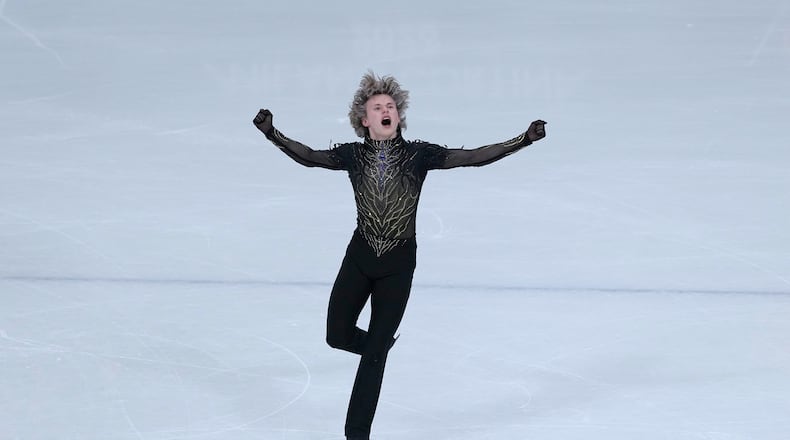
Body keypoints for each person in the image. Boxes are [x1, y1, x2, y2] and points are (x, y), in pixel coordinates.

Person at [253, 71, 547, 440]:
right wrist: (271, 133)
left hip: (397, 265)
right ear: (365, 119)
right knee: (336, 335)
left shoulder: (418, 155)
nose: (385, 110)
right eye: (377, 107)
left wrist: (524, 139)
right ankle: (378, 345)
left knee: (373, 359)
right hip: (360, 258)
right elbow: (310, 157)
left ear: (399, 115)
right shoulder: (353, 155)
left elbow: (472, 156)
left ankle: (357, 431)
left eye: (390, 106)